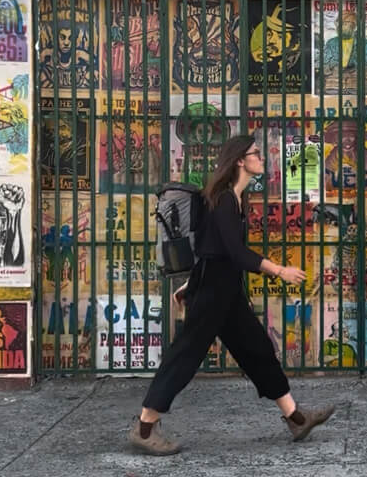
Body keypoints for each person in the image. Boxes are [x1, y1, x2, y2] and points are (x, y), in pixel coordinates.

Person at [129, 135, 334, 455]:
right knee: (185, 356)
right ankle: (144, 427)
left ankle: (296, 417)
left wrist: (191, 284)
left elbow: (212, 251)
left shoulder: (234, 200)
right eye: (256, 154)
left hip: (223, 290)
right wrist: (280, 270)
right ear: (240, 160)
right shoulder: (224, 199)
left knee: (258, 350)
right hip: (214, 292)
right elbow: (235, 254)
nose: (261, 159)